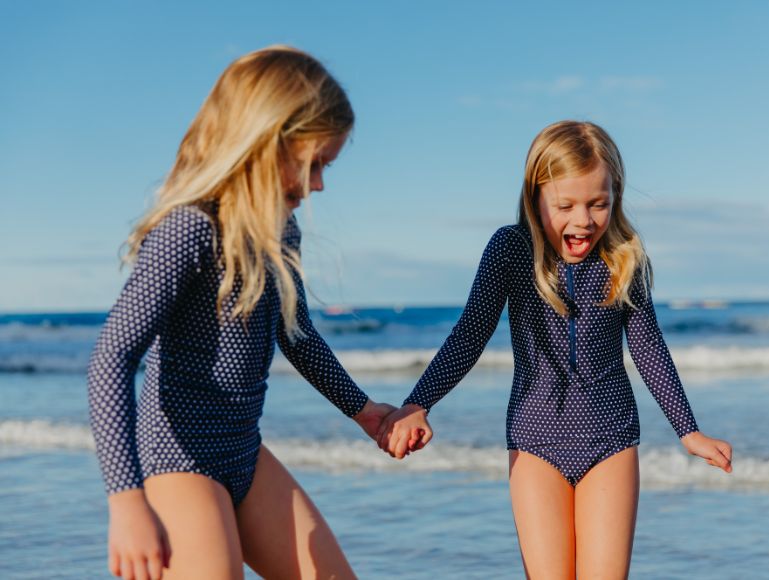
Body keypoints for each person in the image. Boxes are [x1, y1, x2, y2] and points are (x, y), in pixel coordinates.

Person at [87, 45, 393, 580]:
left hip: (244, 454)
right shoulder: (188, 231)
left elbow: (296, 336)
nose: (319, 183)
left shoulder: (280, 230)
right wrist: (126, 501)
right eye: (314, 163)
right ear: (266, 141)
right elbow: (111, 360)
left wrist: (362, 410)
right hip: (178, 460)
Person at [378, 120, 733, 578]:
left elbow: (648, 345)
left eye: (598, 203)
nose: (583, 220)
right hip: (534, 442)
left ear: (616, 196)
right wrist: (418, 402)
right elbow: (470, 333)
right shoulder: (510, 249)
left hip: (611, 438)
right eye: (565, 205)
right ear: (534, 198)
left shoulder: (624, 255)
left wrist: (689, 431)